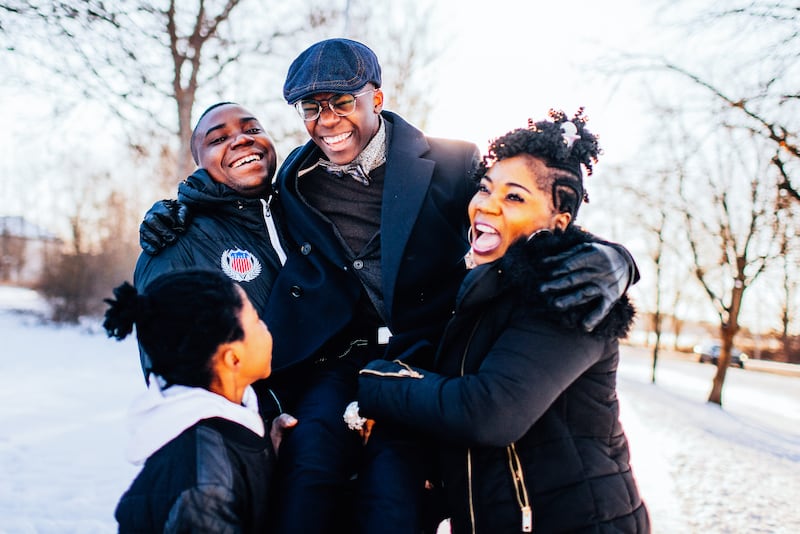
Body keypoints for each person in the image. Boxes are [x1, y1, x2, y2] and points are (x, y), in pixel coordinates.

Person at [138, 39, 639, 533]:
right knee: (306, 472)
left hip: (421, 358)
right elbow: (233, 191)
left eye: (342, 102)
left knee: (392, 488)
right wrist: (175, 208)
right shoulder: (293, 176)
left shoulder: (452, 162)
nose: (327, 120)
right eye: (311, 108)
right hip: (336, 358)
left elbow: (529, 207)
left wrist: (616, 258)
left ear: (375, 98)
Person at [356, 109, 650, 533]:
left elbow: (487, 412)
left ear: (558, 222)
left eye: (514, 198)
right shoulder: (480, 290)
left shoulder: (571, 294)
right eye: (484, 188)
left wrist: (372, 382)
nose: (485, 206)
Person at [103, 268, 296, 533]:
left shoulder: (226, 425)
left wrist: (269, 452)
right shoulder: (202, 487)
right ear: (233, 359)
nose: (267, 328)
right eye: (256, 322)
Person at [133, 102, 285, 405]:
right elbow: (172, 379)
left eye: (253, 129)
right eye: (217, 139)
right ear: (199, 163)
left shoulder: (305, 214)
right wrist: (256, 430)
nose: (242, 140)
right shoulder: (175, 240)